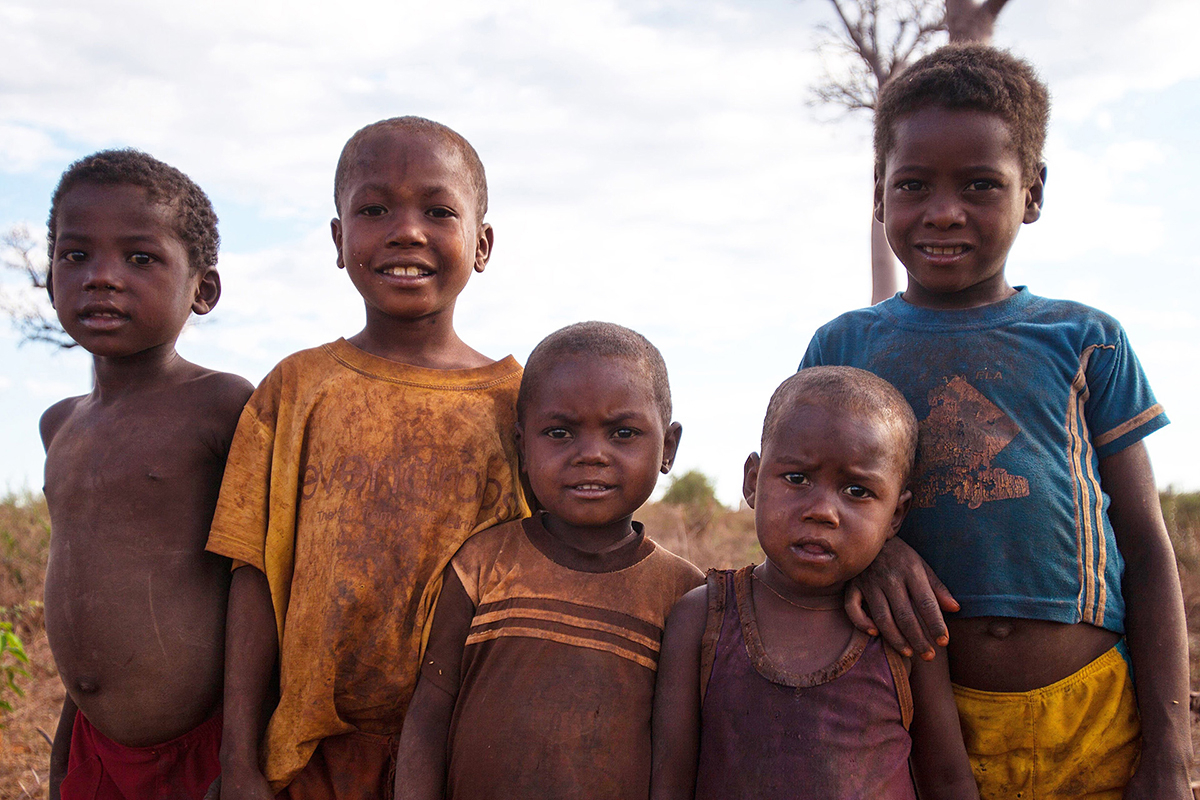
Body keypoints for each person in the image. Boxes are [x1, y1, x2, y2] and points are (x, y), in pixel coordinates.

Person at [801, 44, 1191, 799]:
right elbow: (801, 503)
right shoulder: (843, 347)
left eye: (981, 185)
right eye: (913, 185)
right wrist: (871, 554)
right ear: (879, 196)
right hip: (920, 722)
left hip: (1094, 717)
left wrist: (1171, 751)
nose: (944, 211)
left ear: (1033, 193)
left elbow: (1146, 545)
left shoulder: (1086, 340)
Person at [207, 117, 528, 800]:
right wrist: (238, 758)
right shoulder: (295, 390)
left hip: (464, 753)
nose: (405, 231)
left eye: (438, 210)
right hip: (314, 756)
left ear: (482, 243)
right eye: (374, 209)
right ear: (337, 238)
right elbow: (253, 580)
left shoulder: (522, 404)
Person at [394, 321, 704, 800]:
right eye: (559, 432)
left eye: (623, 433)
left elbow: (675, 756)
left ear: (669, 447)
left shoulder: (685, 595)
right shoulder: (480, 564)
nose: (592, 455)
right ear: (522, 446)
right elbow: (430, 713)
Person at [650, 367, 977, 800]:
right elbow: (670, 780)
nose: (822, 510)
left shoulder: (902, 629)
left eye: (858, 490)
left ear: (896, 515)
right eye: (797, 479)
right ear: (752, 481)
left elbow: (949, 780)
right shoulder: (702, 618)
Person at [40, 149, 254, 800]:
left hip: (200, 751)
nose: (101, 278)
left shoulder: (223, 407)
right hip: (95, 749)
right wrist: (67, 744)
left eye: (139, 258)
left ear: (203, 289)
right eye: (75, 255)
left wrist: (241, 754)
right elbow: (88, 598)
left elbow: (260, 585)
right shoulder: (61, 425)